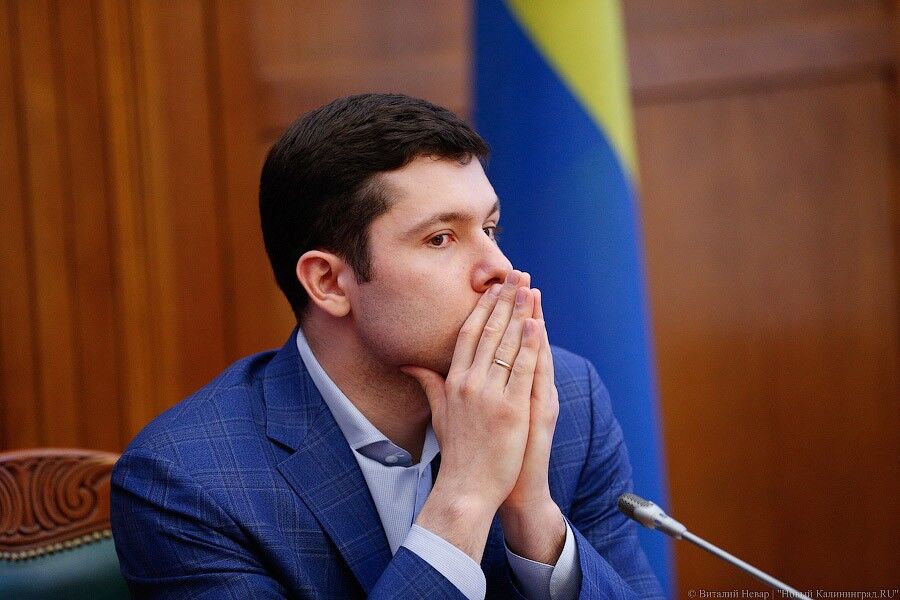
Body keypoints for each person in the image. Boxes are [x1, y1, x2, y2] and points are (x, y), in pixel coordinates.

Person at [110, 93, 664, 599]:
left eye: (490, 229)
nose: (500, 268)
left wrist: (534, 519)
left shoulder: (565, 400)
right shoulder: (188, 483)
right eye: (441, 238)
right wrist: (465, 497)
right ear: (330, 283)